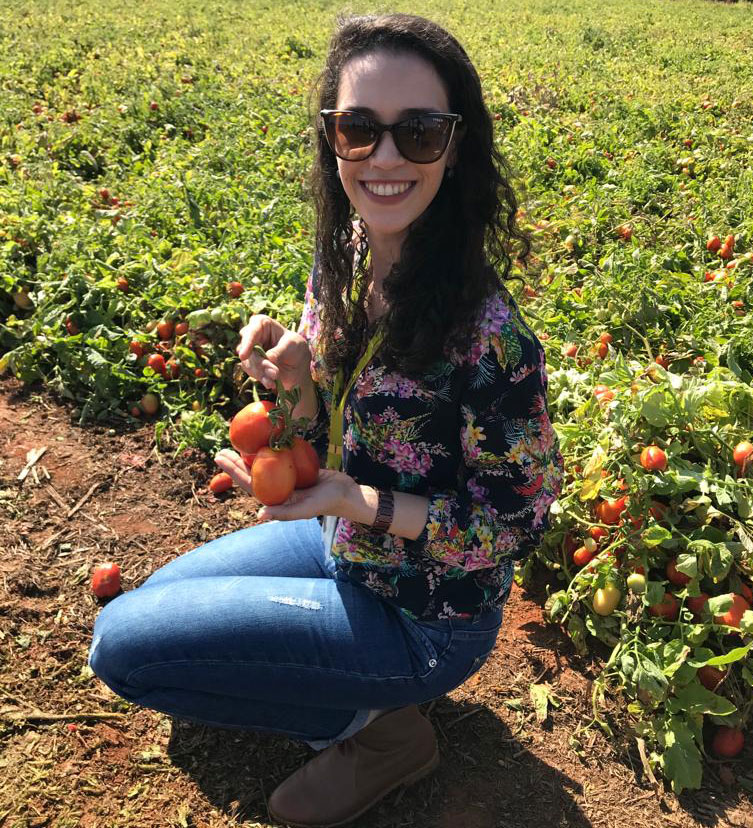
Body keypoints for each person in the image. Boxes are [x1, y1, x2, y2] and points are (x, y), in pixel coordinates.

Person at [88, 12, 564, 827]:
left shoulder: (493, 341)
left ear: (456, 148)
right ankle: (350, 694)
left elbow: (514, 524)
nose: (384, 158)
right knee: (142, 612)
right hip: (340, 542)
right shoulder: (344, 254)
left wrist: (356, 502)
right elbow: (319, 436)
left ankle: (380, 731)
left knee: (127, 655)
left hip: (427, 614)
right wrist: (298, 380)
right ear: (331, 138)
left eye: (418, 132)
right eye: (358, 129)